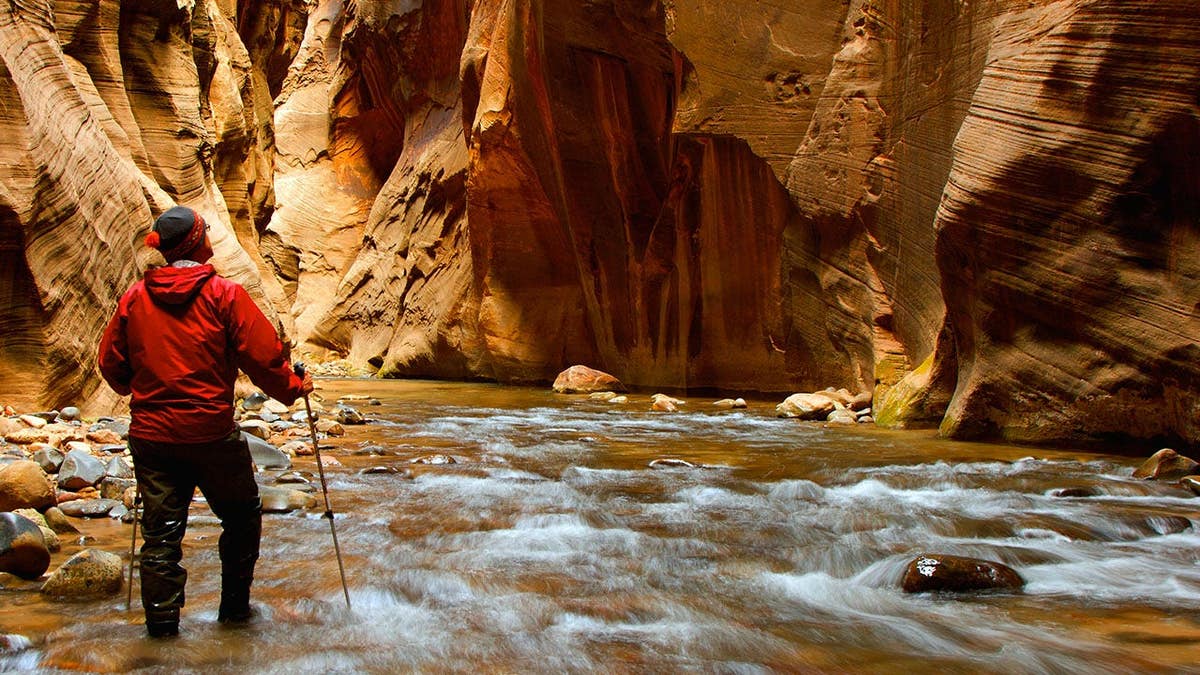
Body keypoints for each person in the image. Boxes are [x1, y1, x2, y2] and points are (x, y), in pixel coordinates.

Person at [98, 205, 312, 638]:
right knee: (241, 516)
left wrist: (135, 389)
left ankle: (161, 635)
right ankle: (234, 613)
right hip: (211, 434)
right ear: (197, 242)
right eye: (207, 231)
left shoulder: (134, 299)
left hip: (153, 438)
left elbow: (112, 365)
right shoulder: (225, 295)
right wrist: (293, 387)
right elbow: (263, 357)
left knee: (161, 535)